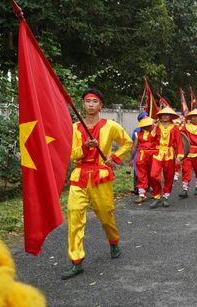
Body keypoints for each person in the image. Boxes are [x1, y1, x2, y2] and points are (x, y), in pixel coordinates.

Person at [62, 89, 133, 280]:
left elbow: (127, 142)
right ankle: (76, 261)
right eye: (87, 101)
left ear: (101, 105)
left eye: (95, 101)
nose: (91, 104)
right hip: (80, 176)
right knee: (74, 215)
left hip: (101, 175)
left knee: (105, 214)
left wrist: (114, 158)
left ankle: (113, 241)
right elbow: (72, 155)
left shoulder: (110, 126)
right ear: (83, 105)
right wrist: (85, 147)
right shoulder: (76, 128)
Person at [149, 106, 184, 209]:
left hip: (169, 154)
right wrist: (154, 127)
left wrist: (179, 156)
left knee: (169, 176)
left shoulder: (174, 128)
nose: (165, 116)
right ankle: (157, 196)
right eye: (163, 115)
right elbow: (150, 138)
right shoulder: (156, 126)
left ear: (170, 116)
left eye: (167, 115)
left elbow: (179, 143)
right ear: (160, 116)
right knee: (153, 175)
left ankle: (166, 197)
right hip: (157, 153)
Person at [131, 116, 157, 204]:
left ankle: (156, 192)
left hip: (153, 156)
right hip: (141, 156)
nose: (149, 127)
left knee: (153, 174)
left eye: (149, 125)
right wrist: (131, 159)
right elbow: (134, 147)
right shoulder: (138, 134)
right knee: (141, 175)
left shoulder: (155, 132)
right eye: (146, 126)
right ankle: (142, 195)